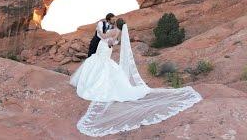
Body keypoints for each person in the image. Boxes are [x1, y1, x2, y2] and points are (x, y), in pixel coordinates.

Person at [70, 18, 203, 137]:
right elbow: (114, 42)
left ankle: (95, 84)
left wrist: (102, 35)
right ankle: (99, 82)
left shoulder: (112, 30)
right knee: (105, 67)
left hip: (104, 48)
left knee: (101, 66)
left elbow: (104, 37)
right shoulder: (117, 31)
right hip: (106, 48)